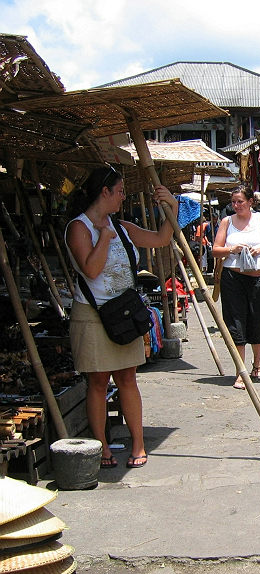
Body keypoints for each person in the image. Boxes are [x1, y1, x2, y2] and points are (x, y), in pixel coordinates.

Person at [65, 166, 178, 469]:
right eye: (119, 191)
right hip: (93, 316)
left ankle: (138, 444)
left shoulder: (123, 226)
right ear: (104, 192)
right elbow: (91, 269)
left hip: (124, 314)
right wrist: (103, 236)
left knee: (128, 378)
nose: (122, 197)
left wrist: (172, 208)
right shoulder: (79, 228)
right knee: (98, 383)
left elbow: (161, 239)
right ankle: (102, 448)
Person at [212, 186, 260, 389]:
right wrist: (231, 249)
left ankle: (257, 362)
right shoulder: (227, 222)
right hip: (233, 277)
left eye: (240, 202)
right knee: (236, 323)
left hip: (258, 278)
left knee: (255, 320)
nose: (236, 206)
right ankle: (240, 372)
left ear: (250, 202)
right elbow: (215, 250)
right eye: (233, 202)